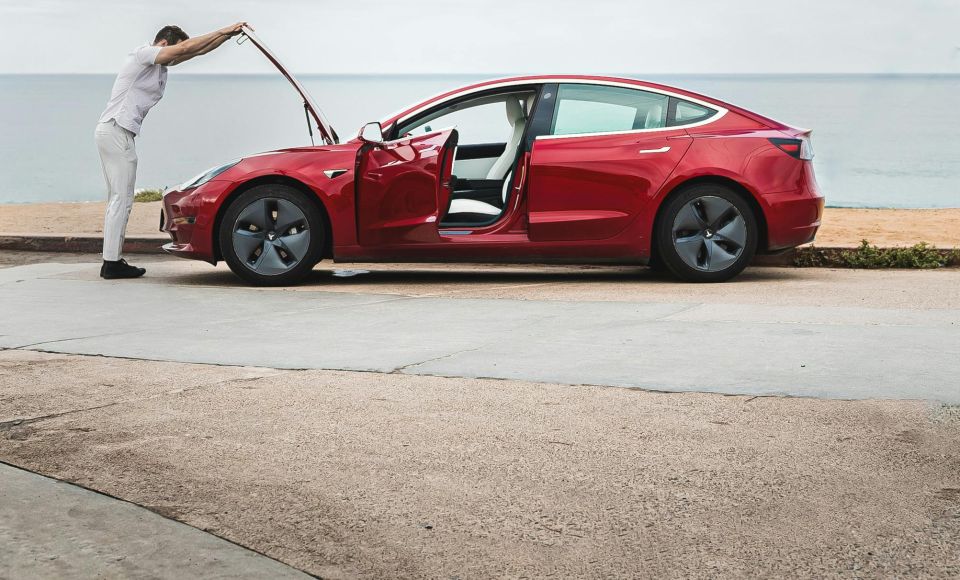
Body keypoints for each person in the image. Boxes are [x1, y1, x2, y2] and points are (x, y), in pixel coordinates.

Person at [95, 22, 248, 279]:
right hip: (115, 130)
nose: (177, 59)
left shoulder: (159, 66)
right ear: (164, 43)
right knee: (122, 199)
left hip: (116, 132)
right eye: (175, 50)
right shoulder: (143, 54)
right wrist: (224, 29)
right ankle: (111, 263)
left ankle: (112, 260)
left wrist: (227, 36)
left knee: (119, 199)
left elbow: (195, 51)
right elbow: (187, 48)